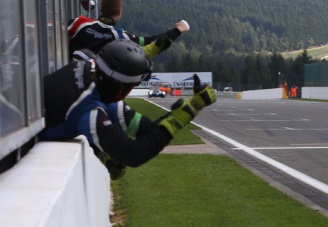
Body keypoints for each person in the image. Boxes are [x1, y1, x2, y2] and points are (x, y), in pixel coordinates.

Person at [39, 39, 216, 179]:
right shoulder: (89, 111)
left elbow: (146, 130)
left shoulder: (90, 70)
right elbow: (132, 155)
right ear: (121, 87)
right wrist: (185, 114)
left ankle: (102, 151)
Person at [67, 0, 190, 58]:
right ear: (119, 12)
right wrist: (177, 30)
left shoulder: (79, 22)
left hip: (68, 78)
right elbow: (151, 42)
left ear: (101, 9)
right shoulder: (120, 36)